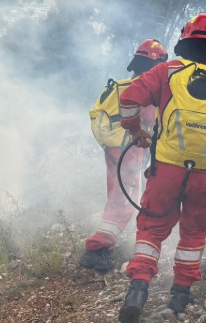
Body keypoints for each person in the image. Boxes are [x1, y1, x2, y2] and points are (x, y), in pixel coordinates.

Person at [116, 13, 206, 322]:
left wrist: (135, 130)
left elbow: (128, 99)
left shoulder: (166, 71)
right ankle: (179, 298)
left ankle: (138, 289)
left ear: (185, 42)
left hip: (166, 168)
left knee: (151, 228)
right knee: (193, 232)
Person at [81, 39, 169, 273]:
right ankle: (97, 249)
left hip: (113, 147)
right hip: (130, 147)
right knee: (125, 198)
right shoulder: (146, 89)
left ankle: (102, 245)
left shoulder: (120, 85)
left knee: (119, 195)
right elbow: (154, 126)